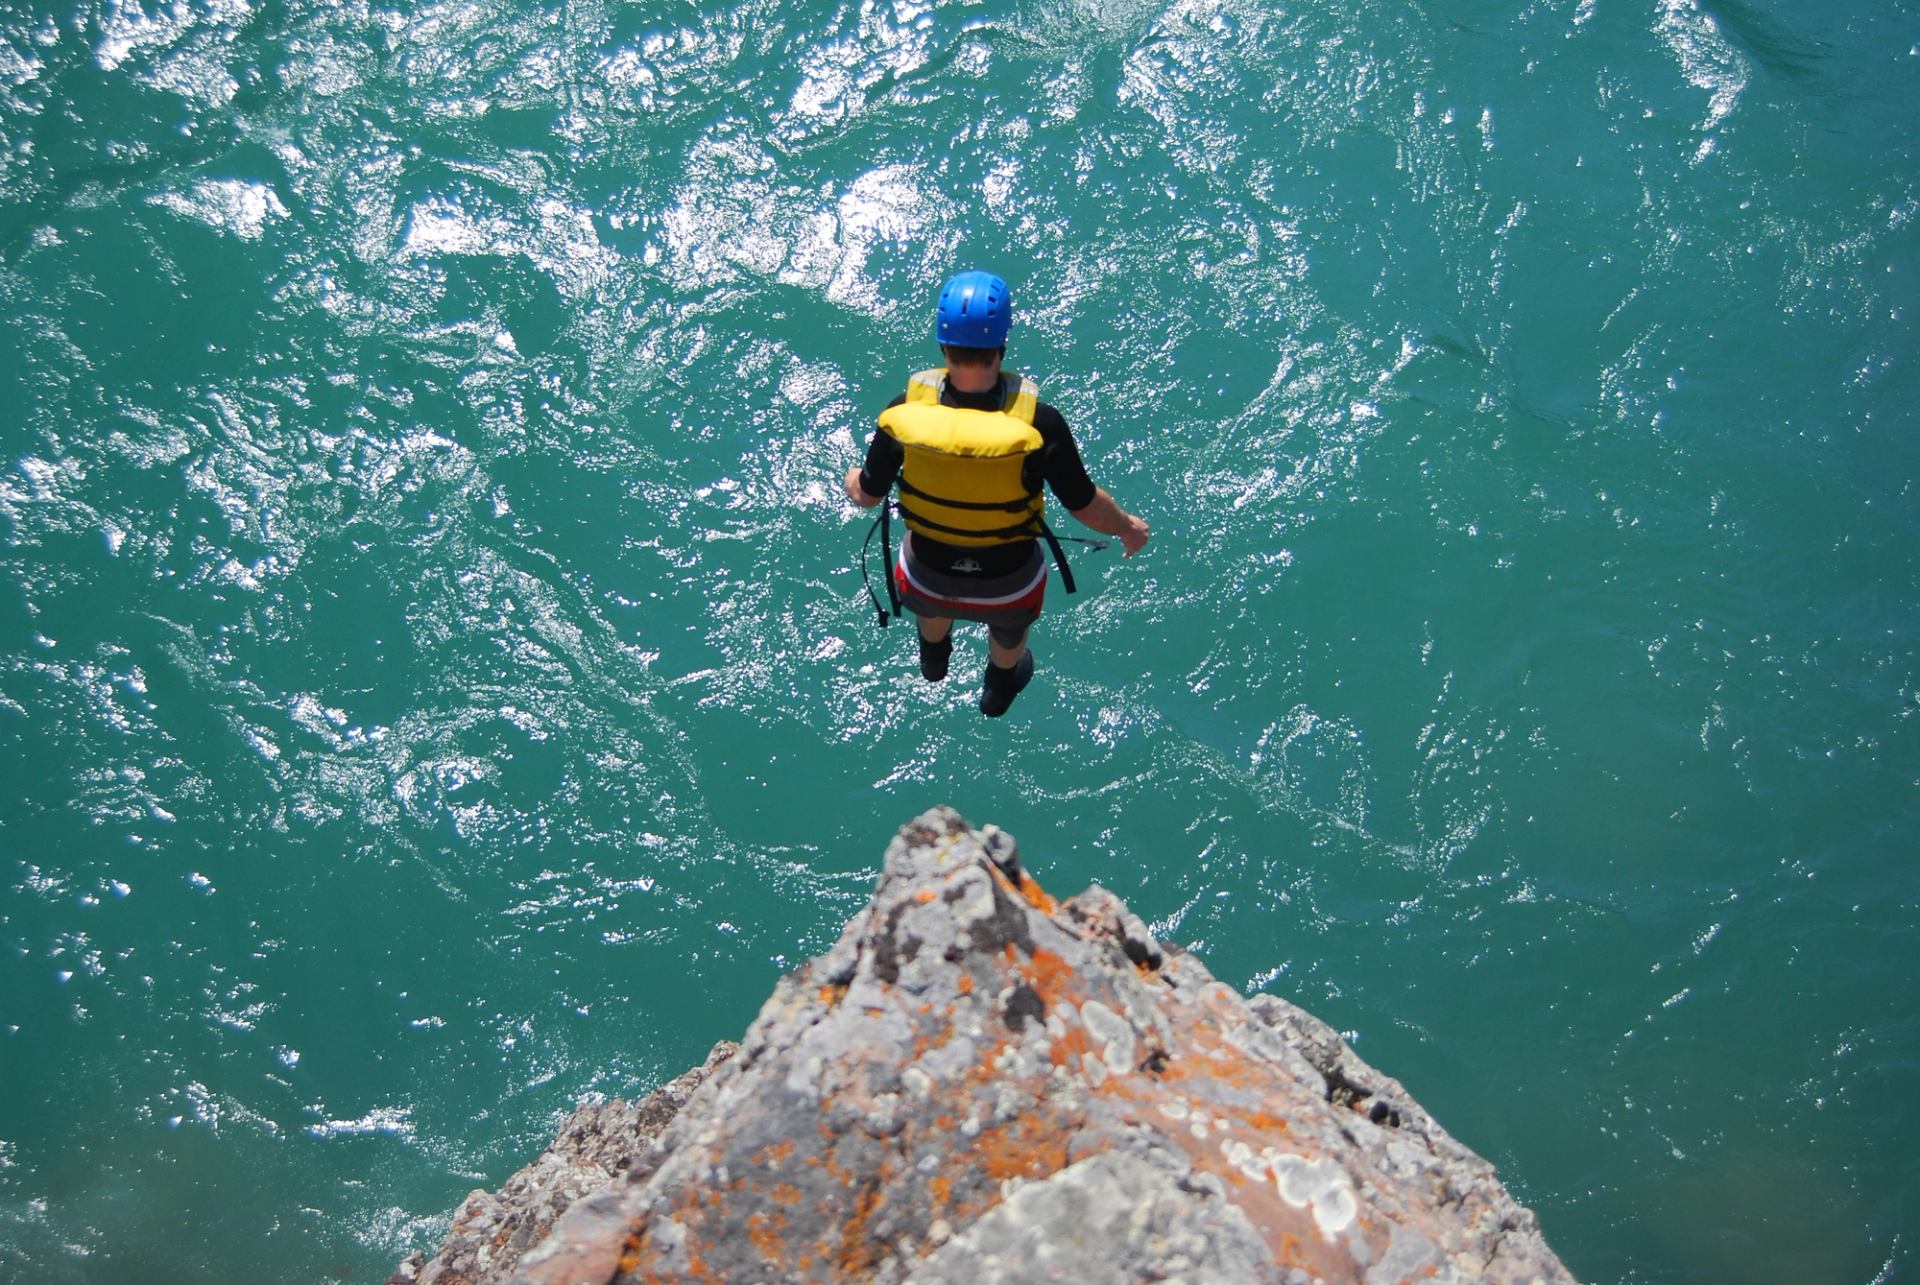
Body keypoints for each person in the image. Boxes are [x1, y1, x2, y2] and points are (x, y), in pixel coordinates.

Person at [843, 270, 1150, 717]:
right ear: (1002, 344)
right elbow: (1084, 505)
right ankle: (998, 689)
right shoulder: (1039, 425)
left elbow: (867, 495)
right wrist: (1128, 527)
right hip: (1007, 584)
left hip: (926, 574)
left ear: (943, 344)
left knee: (932, 602)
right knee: (1009, 631)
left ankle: (934, 662)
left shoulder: (901, 413)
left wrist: (855, 478)